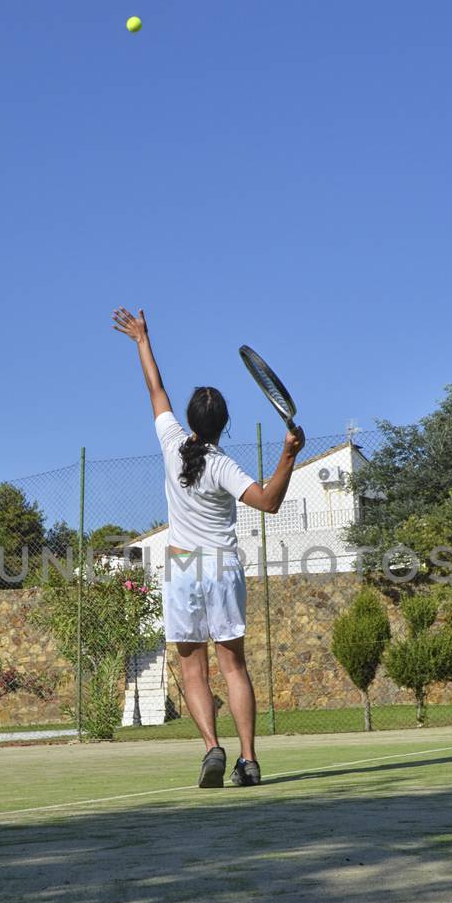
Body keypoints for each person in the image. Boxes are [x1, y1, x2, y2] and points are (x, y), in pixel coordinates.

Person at [112, 306, 304, 787]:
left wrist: (141, 340)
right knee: (233, 665)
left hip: (181, 569)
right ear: (224, 424)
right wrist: (287, 455)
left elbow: (157, 391)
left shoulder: (172, 442)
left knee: (191, 668)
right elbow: (270, 502)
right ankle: (249, 760)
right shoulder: (223, 465)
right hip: (221, 567)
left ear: (192, 421)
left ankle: (211, 750)